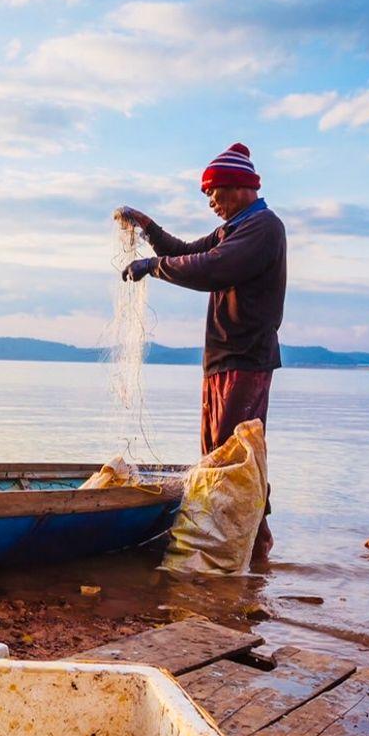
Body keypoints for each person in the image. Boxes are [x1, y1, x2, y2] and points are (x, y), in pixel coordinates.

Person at [114, 142, 285, 563]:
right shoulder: (236, 226)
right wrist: (150, 229)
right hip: (222, 360)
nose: (211, 202)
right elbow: (188, 252)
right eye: (207, 194)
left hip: (247, 358)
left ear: (241, 186)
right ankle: (239, 551)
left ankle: (248, 551)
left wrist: (153, 266)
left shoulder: (262, 227)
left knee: (235, 457)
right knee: (217, 455)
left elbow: (213, 268)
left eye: (215, 192)